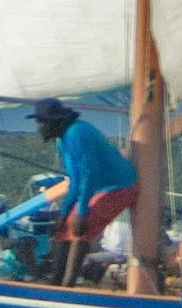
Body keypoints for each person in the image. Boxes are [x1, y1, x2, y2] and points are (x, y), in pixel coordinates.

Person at [34, 98, 138, 285]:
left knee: (81, 226)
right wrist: (64, 214)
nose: (39, 127)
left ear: (54, 121)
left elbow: (90, 175)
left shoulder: (77, 133)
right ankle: (56, 283)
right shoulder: (62, 141)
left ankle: (68, 285)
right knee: (64, 227)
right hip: (99, 188)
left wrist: (81, 212)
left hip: (121, 186)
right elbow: (75, 182)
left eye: (42, 122)